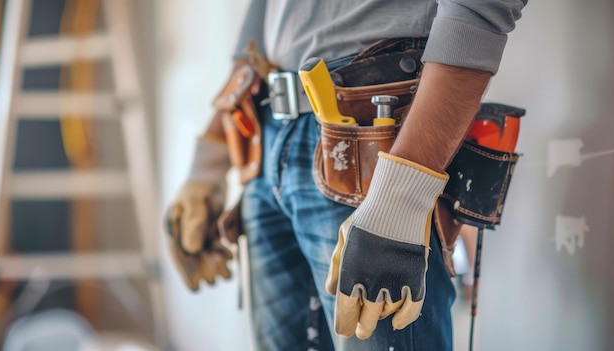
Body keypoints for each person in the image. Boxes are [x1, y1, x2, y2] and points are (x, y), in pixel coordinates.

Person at [166, 1, 528, 350]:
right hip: (269, 137)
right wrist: (209, 161)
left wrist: (401, 195)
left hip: (378, 142)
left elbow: (479, 9)